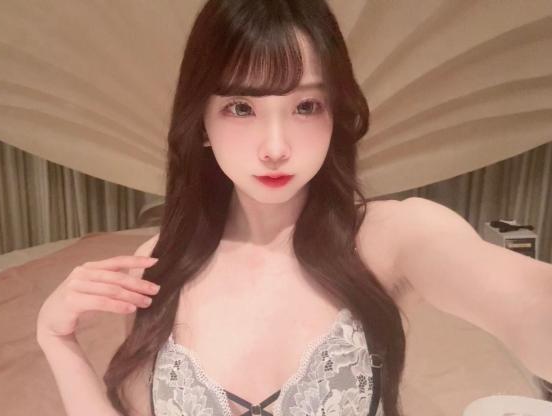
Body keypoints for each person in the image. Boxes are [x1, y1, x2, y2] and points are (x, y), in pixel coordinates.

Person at [35, 0, 552, 415]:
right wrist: (56, 339)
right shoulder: (161, 261)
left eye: (306, 106)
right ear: (202, 124)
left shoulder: (390, 236)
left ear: (334, 113)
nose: (276, 146)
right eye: (241, 107)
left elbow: (524, 300)